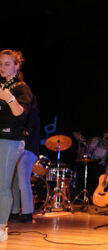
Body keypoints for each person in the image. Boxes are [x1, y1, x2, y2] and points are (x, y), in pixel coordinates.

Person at [0, 49, 33, 241]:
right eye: (0, 64)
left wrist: (8, 98)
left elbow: (20, 114)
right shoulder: (3, 85)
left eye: (7, 63)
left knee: (4, 185)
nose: (2, 67)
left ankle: (2, 228)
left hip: (11, 140)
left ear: (16, 65)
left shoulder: (21, 88)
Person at [10, 93, 40, 223]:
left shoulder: (31, 114)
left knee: (23, 182)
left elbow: (27, 132)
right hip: (23, 150)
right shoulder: (31, 114)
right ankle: (14, 211)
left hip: (28, 150)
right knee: (15, 183)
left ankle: (27, 213)